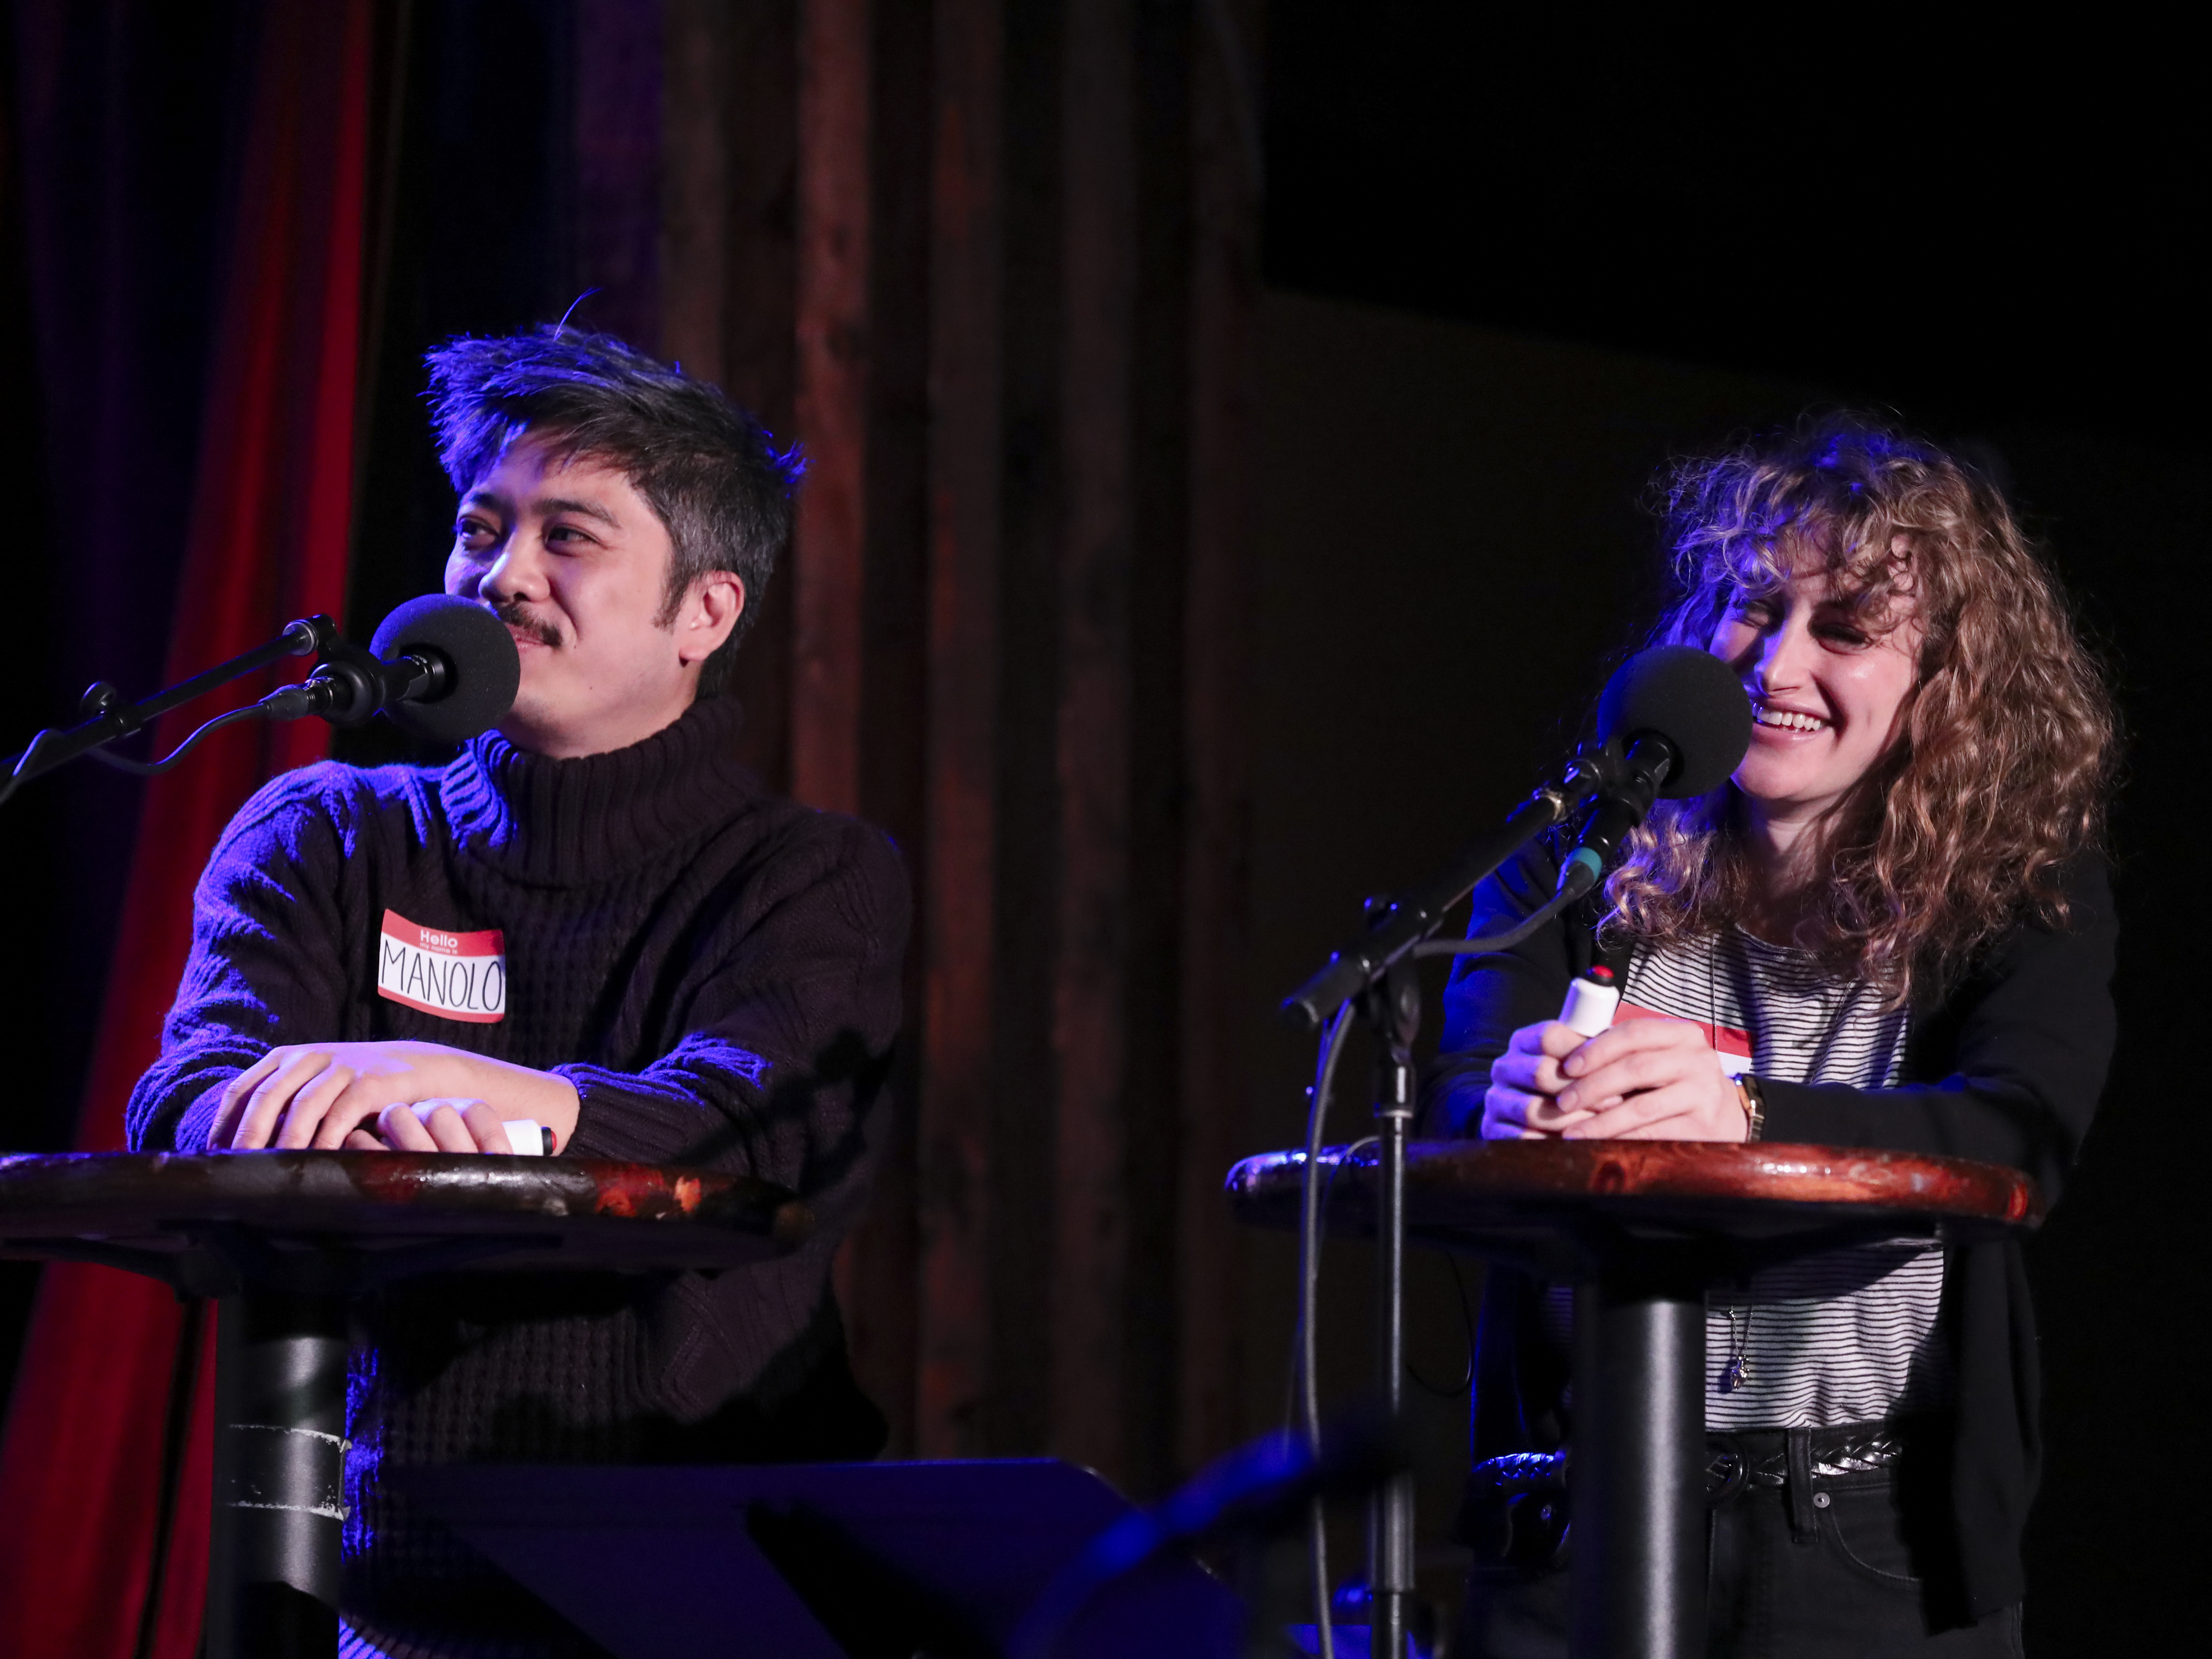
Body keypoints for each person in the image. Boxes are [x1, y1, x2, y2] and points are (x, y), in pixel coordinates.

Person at [126, 327, 910, 1657]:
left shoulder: (808, 875)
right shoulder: (322, 833)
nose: (500, 574)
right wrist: (367, 1118)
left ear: (705, 613)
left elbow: (756, 1127)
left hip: (702, 1610)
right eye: (482, 525)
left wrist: (500, 1096)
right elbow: (190, 1097)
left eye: (569, 536)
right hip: (375, 1604)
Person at [1425, 416, 2117, 1658]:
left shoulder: (2020, 883)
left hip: (1862, 1532)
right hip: (1578, 1515)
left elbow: (2019, 1133)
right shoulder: (1578, 854)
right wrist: (1500, 1101)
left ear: (1943, 685)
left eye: (1842, 629)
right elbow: (1459, 1091)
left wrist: (1742, 1114)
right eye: (1750, 609)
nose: (1774, 664)